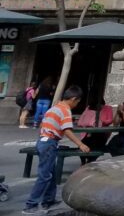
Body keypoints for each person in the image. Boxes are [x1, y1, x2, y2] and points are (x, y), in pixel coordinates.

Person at [23, 85, 90, 214]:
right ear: (73, 99)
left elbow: (43, 124)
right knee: (45, 175)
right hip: (49, 142)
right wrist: (80, 144)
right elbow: (67, 130)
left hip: (44, 140)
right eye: (77, 102)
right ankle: (31, 205)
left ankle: (49, 200)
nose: (76, 105)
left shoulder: (54, 108)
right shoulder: (65, 110)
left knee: (51, 174)